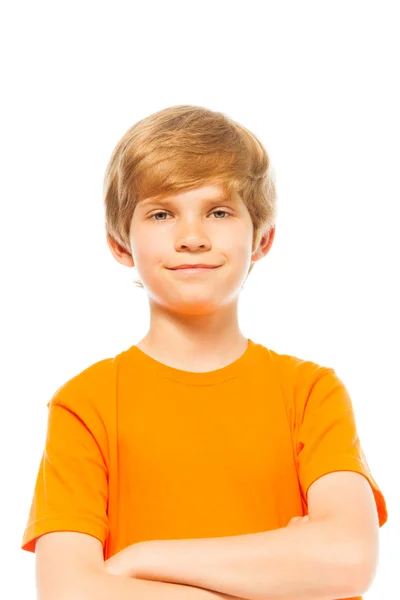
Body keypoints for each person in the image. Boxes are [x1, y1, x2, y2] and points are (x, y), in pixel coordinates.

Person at [21, 105, 388, 600]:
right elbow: (68, 590)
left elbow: (347, 560)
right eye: (161, 213)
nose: (192, 238)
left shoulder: (310, 393)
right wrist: (285, 574)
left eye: (218, 211)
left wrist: (141, 560)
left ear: (262, 238)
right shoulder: (85, 404)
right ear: (120, 243)